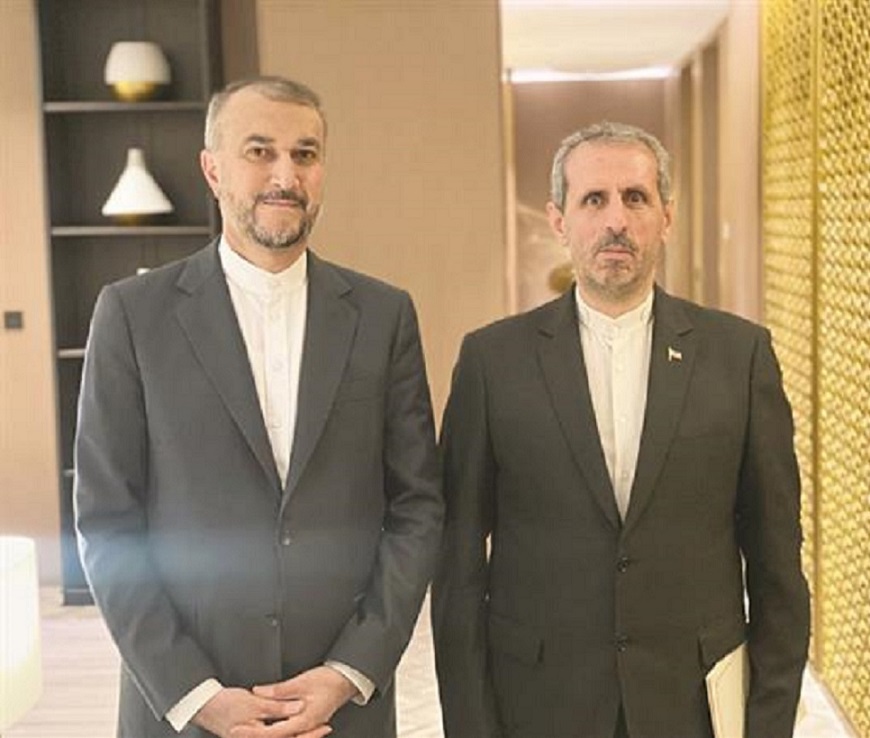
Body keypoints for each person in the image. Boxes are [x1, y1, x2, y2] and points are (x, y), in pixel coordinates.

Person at [75, 76, 443, 738]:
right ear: (212, 169)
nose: (285, 175)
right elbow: (107, 521)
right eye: (259, 151)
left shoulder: (384, 316)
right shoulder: (132, 315)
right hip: (185, 709)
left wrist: (349, 672)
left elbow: (416, 508)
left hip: (341, 711)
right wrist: (196, 694)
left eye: (305, 154)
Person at [432, 121, 810, 738]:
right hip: (539, 704)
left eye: (636, 198)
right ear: (559, 220)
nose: (616, 220)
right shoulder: (492, 362)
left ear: (666, 216)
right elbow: (457, 566)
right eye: (593, 200)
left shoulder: (739, 357)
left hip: (691, 706)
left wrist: (768, 725)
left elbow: (777, 568)